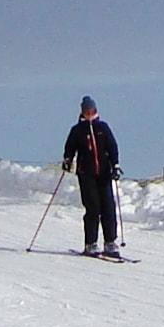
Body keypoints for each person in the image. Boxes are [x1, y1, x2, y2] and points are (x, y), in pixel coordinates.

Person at [61, 95, 122, 259]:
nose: (89, 114)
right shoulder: (77, 130)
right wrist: (67, 160)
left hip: (104, 173)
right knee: (93, 208)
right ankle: (91, 243)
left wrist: (115, 165)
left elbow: (112, 147)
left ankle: (110, 242)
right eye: (87, 111)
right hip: (86, 174)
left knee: (108, 207)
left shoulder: (103, 127)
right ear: (82, 112)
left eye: (92, 111)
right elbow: (69, 148)